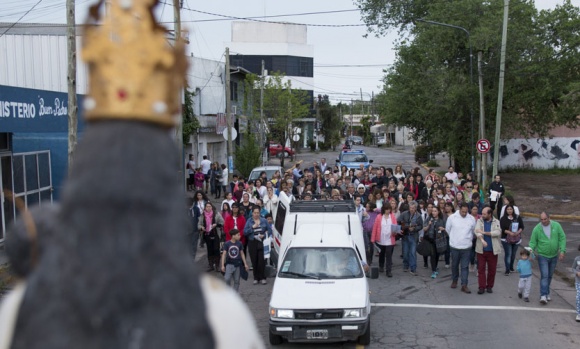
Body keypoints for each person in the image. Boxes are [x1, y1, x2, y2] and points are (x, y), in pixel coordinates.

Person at [529, 212, 567, 304]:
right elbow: (533, 242)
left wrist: (562, 251)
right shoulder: (537, 229)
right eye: (541, 219)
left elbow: (562, 238)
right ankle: (543, 295)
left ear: (549, 218)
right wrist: (530, 251)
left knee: (549, 275)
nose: (543, 221)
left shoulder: (556, 226)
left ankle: (546, 292)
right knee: (545, 275)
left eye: (545, 219)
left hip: (554, 255)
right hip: (542, 255)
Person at [446, 203, 476, 294]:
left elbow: (473, 231)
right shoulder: (452, 218)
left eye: (466, 212)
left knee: (465, 266)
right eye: (462, 211)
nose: (464, 213)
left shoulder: (471, 219)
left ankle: (464, 284)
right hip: (455, 246)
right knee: (454, 265)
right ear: (459, 209)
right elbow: (448, 229)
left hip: (466, 246)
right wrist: (453, 239)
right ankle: (454, 280)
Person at [474, 207, 501, 294]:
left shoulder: (496, 222)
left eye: (485, 214)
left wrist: (484, 232)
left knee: (492, 270)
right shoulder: (479, 221)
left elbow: (498, 232)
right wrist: (482, 238)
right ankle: (481, 287)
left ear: (490, 214)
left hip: (492, 250)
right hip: (481, 250)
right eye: (482, 213)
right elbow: (477, 231)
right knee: (481, 269)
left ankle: (489, 286)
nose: (482, 215)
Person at [244, 206, 272, 285]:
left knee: (262, 261)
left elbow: (269, 230)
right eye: (255, 213)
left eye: (258, 213)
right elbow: (245, 232)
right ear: (252, 213)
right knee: (254, 260)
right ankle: (256, 277)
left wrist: (264, 235)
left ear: (260, 213)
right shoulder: (249, 221)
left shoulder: (263, 220)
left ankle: (263, 277)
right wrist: (252, 227)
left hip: (262, 242)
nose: (256, 214)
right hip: (252, 242)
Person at [371, 204, 397, 277]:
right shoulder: (379, 217)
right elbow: (375, 228)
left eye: (389, 209)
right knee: (381, 254)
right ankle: (381, 266)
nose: (388, 210)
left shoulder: (392, 217)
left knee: (389, 255)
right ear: (384, 209)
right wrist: (373, 238)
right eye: (386, 209)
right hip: (381, 239)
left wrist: (395, 232)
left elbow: (395, 226)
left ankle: (388, 271)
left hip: (389, 238)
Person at [398, 201, 423, 275]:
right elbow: (398, 221)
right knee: (405, 252)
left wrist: (414, 229)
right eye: (410, 208)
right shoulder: (404, 213)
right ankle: (405, 265)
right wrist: (403, 226)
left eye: (413, 208)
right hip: (405, 235)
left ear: (415, 208)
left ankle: (413, 268)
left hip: (413, 236)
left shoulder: (418, 216)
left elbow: (421, 226)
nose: (411, 209)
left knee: (412, 253)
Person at [198, 202, 224, 272]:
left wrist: (216, 224)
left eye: (210, 206)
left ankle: (217, 265)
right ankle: (211, 265)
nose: (208, 208)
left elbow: (222, 222)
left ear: (212, 207)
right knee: (209, 250)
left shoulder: (216, 214)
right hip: (207, 235)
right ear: (205, 208)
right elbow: (199, 224)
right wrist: (201, 227)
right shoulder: (202, 215)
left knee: (216, 249)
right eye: (207, 206)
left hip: (215, 234)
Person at [500, 204, 524, 275]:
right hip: (506, 239)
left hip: (516, 239)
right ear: (506, 210)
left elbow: (522, 227)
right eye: (508, 209)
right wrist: (510, 232)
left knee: (513, 254)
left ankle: (511, 267)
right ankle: (507, 269)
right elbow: (503, 229)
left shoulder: (517, 217)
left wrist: (517, 232)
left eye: (511, 209)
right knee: (508, 254)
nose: (509, 211)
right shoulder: (503, 218)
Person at [422, 206, 446, 279]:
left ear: (438, 212)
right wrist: (429, 225)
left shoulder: (441, 220)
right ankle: (433, 270)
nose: (433, 212)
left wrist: (443, 229)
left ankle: (435, 267)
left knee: (437, 255)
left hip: (439, 240)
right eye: (432, 211)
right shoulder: (429, 219)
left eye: (435, 211)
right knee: (432, 255)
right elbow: (424, 229)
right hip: (431, 240)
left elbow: (446, 229)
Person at [573, 244, 580, 321]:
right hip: (578, 282)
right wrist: (577, 273)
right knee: (578, 297)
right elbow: (573, 268)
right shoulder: (577, 259)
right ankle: (578, 313)